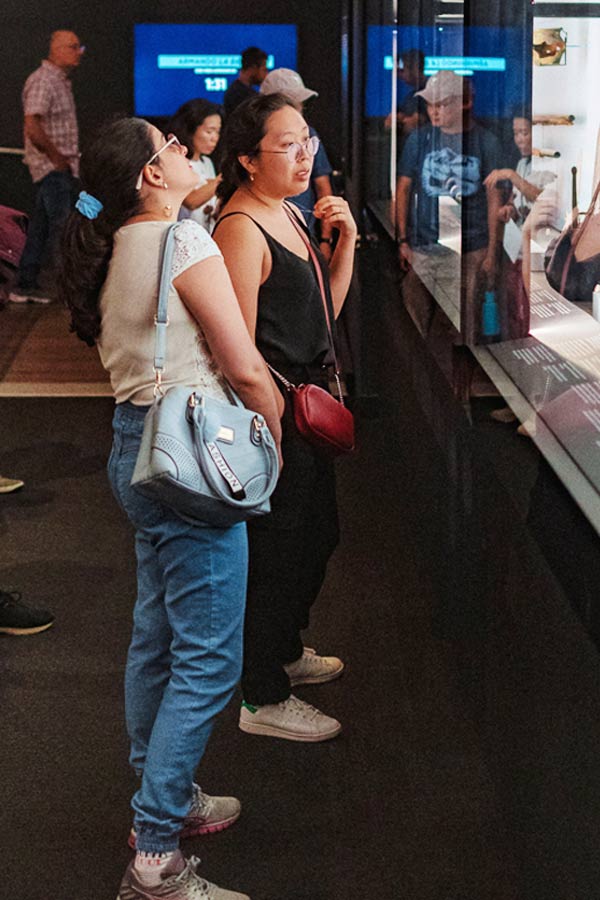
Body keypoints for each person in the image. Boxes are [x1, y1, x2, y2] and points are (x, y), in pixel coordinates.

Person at [57, 117, 283, 900]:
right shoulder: (184, 244)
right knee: (208, 657)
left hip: (136, 447)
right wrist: (274, 439)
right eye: (176, 150)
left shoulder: (118, 243)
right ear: (152, 176)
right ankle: (154, 855)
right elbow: (245, 364)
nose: (191, 154)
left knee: (157, 636)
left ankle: (164, 795)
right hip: (193, 452)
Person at [213, 93, 356, 742]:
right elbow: (236, 348)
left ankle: (285, 651)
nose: (305, 155)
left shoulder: (291, 214)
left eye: (307, 142)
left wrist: (346, 240)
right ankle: (261, 693)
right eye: (287, 145)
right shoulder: (241, 227)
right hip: (277, 423)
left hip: (308, 414)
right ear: (247, 159)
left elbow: (324, 307)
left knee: (315, 539)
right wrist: (271, 426)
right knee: (276, 556)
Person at [395, 70, 501, 344]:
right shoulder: (419, 139)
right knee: (413, 328)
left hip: (469, 250)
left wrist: (490, 250)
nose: (434, 111)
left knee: (463, 331)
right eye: (430, 104)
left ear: (463, 103)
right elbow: (403, 189)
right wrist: (403, 240)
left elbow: (494, 199)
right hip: (424, 247)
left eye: (441, 104)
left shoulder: (486, 142)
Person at [9, 30, 84, 305]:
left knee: (41, 228)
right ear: (56, 49)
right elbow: (32, 125)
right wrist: (57, 158)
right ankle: (68, 290)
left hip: (56, 169)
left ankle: (25, 285)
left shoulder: (58, 81)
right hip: (52, 169)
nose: (80, 52)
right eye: (74, 47)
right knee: (63, 227)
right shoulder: (43, 81)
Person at [259, 68, 335, 256]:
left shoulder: (310, 132)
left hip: (305, 235)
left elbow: (322, 185)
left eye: (307, 143)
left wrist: (326, 239)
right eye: (287, 145)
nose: (299, 108)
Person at [167, 98, 223, 233]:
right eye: (209, 131)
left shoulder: (207, 163)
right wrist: (224, 177)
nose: (214, 138)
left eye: (218, 132)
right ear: (191, 129)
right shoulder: (176, 161)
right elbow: (191, 201)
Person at [223, 47, 268, 118]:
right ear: (253, 68)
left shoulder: (236, 90)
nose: (266, 75)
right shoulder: (241, 95)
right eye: (264, 70)